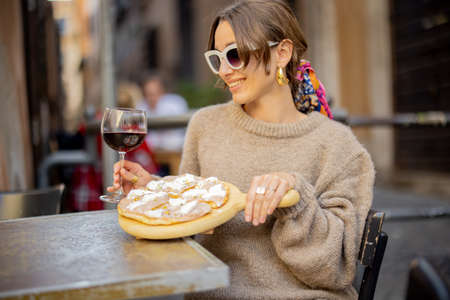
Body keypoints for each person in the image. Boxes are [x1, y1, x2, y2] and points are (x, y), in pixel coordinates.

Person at [108, 1, 375, 299]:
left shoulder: (339, 146)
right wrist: (155, 194)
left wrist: (295, 199)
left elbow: (335, 270)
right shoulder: (205, 126)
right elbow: (192, 228)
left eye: (234, 55)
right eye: (217, 58)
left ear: (282, 53)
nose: (224, 71)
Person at [136, 74, 189, 152]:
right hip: (150, 153)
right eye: (148, 94)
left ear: (162, 92)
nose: (151, 98)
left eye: (154, 93)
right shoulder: (140, 106)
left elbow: (179, 134)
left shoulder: (175, 103)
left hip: (175, 150)